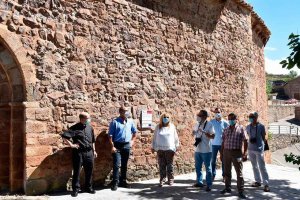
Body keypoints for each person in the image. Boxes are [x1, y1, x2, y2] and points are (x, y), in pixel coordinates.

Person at [62, 112, 97, 197]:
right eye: (87, 118)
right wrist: (72, 145)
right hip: (79, 153)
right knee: (77, 171)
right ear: (82, 119)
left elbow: (92, 141)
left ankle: (88, 187)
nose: (89, 120)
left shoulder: (90, 127)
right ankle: (75, 189)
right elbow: (64, 136)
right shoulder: (74, 128)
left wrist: (94, 151)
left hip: (89, 152)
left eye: (89, 118)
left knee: (89, 170)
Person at [108, 106, 137, 191]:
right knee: (116, 165)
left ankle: (123, 181)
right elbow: (110, 135)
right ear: (120, 112)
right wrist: (112, 146)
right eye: (125, 111)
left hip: (127, 145)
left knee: (124, 164)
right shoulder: (115, 122)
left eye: (127, 111)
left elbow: (135, 132)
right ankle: (115, 183)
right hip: (117, 145)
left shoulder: (130, 122)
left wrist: (132, 141)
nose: (127, 113)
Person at [220, 113, 248, 199]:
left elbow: (246, 140)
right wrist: (221, 153)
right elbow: (223, 142)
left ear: (236, 119)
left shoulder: (241, 128)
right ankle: (227, 188)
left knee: (239, 173)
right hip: (226, 152)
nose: (230, 120)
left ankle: (241, 191)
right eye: (229, 119)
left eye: (232, 119)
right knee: (227, 171)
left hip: (237, 153)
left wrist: (245, 153)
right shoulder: (226, 129)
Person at [152, 113, 180, 187]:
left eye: (167, 117)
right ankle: (162, 179)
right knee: (162, 165)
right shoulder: (158, 127)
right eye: (164, 117)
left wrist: (177, 146)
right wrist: (153, 147)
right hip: (160, 149)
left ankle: (170, 179)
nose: (166, 118)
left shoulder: (172, 126)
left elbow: (175, 137)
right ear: (162, 118)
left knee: (170, 165)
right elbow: (154, 137)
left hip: (169, 149)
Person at [246, 112, 270, 192]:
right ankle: (257, 181)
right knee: (254, 166)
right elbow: (248, 136)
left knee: (262, 167)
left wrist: (262, 147)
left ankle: (266, 184)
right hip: (250, 149)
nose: (250, 118)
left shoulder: (261, 126)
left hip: (259, 149)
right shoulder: (248, 127)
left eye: (252, 116)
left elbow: (263, 137)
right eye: (249, 116)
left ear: (256, 117)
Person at [192, 110, 215, 192]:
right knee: (198, 167)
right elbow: (193, 133)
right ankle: (199, 182)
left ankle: (209, 184)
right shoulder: (197, 124)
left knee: (208, 168)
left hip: (206, 150)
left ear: (205, 116)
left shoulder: (210, 124)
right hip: (198, 149)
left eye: (200, 115)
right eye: (198, 115)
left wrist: (205, 133)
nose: (198, 116)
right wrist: (194, 132)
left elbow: (213, 136)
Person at [210, 108, 228, 182]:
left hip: (222, 145)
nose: (217, 113)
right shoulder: (211, 122)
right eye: (216, 112)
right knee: (213, 160)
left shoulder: (225, 123)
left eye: (219, 112)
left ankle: (224, 175)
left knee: (224, 160)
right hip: (213, 144)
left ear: (221, 113)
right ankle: (213, 175)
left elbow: (228, 133)